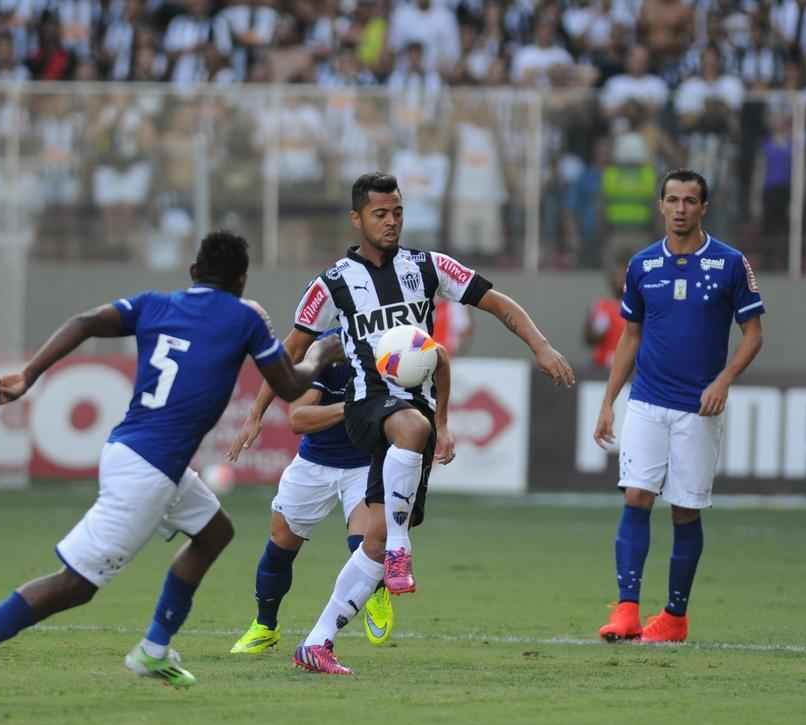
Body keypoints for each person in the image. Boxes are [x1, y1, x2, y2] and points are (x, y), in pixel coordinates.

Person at [0, 231, 339, 702]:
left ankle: (154, 649)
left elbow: (83, 321)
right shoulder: (244, 317)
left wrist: (29, 373)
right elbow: (289, 385)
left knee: (214, 531)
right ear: (241, 279)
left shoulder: (154, 303)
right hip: (147, 472)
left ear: (193, 273)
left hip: (133, 451)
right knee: (75, 585)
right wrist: (326, 349)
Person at [229, 171, 574, 674]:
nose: (391, 223)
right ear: (356, 218)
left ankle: (318, 643)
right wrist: (256, 414)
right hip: (368, 405)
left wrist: (540, 345)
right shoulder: (330, 284)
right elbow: (291, 351)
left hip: (412, 411)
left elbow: (497, 303)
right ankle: (399, 548)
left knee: (370, 541)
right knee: (411, 432)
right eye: (379, 214)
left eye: (397, 213)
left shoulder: (428, 267)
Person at [592, 169, 765, 644]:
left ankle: (674, 617)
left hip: (698, 409)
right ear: (661, 205)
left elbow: (754, 334)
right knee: (635, 497)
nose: (681, 208)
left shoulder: (730, 264)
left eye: (691, 200)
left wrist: (724, 381)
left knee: (685, 510)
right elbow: (630, 336)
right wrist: (609, 401)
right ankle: (627, 610)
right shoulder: (642, 265)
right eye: (673, 199)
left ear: (704, 207)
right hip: (647, 401)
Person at [227, 325, 445, 654]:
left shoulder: (399, 348)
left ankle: (377, 591)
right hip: (314, 463)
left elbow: (438, 364)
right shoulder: (330, 348)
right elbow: (298, 418)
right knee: (281, 543)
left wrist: (440, 425)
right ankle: (265, 626)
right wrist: (356, 407)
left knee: (367, 539)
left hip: (363, 464)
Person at [583, 260, 626, 371]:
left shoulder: (640, 309)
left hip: (628, 369)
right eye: (617, 277)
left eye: (624, 277)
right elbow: (588, 339)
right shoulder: (600, 306)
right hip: (601, 367)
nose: (620, 281)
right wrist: (597, 331)